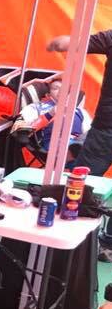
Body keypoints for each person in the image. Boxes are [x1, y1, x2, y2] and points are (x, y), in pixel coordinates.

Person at [48, 32, 112, 260]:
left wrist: (56, 43)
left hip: (106, 128)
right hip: (106, 127)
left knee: (81, 184)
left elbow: (69, 43)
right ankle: (106, 245)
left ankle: (70, 240)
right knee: (81, 185)